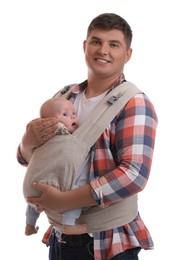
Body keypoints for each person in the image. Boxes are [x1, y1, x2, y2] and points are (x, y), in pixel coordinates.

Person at [17, 13, 158, 260]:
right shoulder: (64, 97)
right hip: (59, 238)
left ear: (128, 54)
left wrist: (65, 201)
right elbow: (37, 159)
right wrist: (27, 143)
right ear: (85, 45)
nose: (103, 50)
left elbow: (134, 174)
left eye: (114, 44)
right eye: (96, 41)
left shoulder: (133, 103)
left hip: (105, 242)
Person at [24, 97, 88, 236]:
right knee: (76, 193)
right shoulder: (59, 129)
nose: (72, 116)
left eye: (74, 113)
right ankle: (69, 225)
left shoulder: (40, 135)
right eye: (65, 114)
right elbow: (21, 158)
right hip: (56, 186)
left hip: (31, 185)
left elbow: (25, 158)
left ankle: (29, 224)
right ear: (49, 122)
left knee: (32, 201)